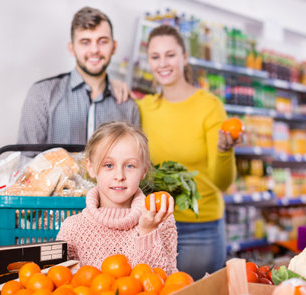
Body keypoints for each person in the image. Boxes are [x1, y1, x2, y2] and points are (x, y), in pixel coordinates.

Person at [135, 24, 241, 280]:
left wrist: (224, 150)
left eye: (170, 55)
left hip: (199, 228)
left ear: (184, 57)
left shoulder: (209, 106)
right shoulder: (141, 108)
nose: (163, 63)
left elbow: (222, 182)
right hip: (153, 224)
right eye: (155, 56)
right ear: (148, 62)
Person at [56, 121, 178, 274]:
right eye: (108, 165)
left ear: (144, 170)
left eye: (130, 166)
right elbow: (59, 282)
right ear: (91, 167)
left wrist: (148, 231)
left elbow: (164, 283)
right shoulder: (73, 228)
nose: (119, 176)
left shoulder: (161, 221)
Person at [17, 6, 139, 144]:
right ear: (72, 48)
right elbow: (27, 160)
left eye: (102, 41)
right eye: (85, 42)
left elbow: (132, 161)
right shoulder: (42, 95)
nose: (94, 50)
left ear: (114, 47)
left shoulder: (128, 106)